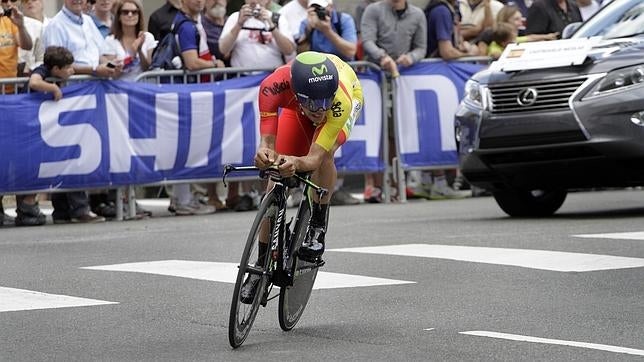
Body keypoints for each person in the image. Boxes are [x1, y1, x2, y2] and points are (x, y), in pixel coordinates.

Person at [241, 51, 363, 300]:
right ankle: (260, 263)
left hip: (350, 91)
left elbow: (314, 159)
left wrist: (297, 162)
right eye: (313, 103)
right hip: (295, 109)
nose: (320, 110)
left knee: (324, 157)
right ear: (296, 95)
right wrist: (266, 155)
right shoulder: (272, 87)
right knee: (275, 174)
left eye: (324, 102)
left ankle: (317, 224)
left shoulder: (338, 103)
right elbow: (267, 143)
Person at [42, 0, 121, 224]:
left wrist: (111, 64)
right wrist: (95, 69)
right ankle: (76, 208)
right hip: (69, 93)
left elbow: (100, 52)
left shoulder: (88, 21)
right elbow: (58, 65)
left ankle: (66, 211)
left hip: (89, 91)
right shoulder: (56, 25)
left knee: (83, 147)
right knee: (71, 147)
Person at [218, 0, 295, 211]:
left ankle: (270, 189)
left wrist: (271, 24)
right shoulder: (235, 18)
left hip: (272, 87)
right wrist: (239, 24)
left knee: (271, 138)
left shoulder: (278, 18)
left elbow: (290, 51)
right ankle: (244, 192)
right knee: (242, 140)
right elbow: (223, 49)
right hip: (241, 86)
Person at [360, 0, 427, 203]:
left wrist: (411, 58)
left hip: (402, 79)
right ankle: (378, 186)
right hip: (375, 77)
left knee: (395, 133)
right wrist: (382, 57)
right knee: (377, 132)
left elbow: (421, 48)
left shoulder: (417, 14)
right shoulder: (373, 10)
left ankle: (399, 184)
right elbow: (367, 41)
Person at [296, 0, 360, 206]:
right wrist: (309, 29)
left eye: (326, 7)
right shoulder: (306, 23)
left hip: (344, 89)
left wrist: (326, 29)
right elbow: (300, 55)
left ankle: (319, 214)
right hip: (312, 84)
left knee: (326, 152)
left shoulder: (344, 20)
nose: (324, 12)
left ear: (332, 7)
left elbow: (351, 50)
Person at [105, 0, 156, 81]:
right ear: (119, 16)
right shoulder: (110, 40)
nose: (130, 15)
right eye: (125, 12)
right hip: (119, 89)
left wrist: (139, 50)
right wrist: (131, 57)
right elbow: (112, 72)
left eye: (134, 12)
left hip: (142, 88)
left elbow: (148, 69)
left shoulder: (148, 37)